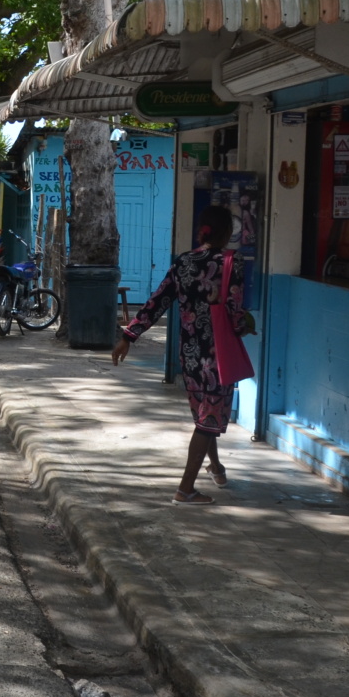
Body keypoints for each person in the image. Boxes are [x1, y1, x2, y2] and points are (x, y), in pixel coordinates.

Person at [110, 204, 245, 504]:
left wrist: (129, 336)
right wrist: (244, 325)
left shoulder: (183, 262)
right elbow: (235, 313)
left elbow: (157, 301)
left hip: (190, 354)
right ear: (226, 232)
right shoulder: (231, 263)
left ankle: (216, 467)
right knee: (208, 419)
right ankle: (185, 489)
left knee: (204, 416)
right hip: (218, 355)